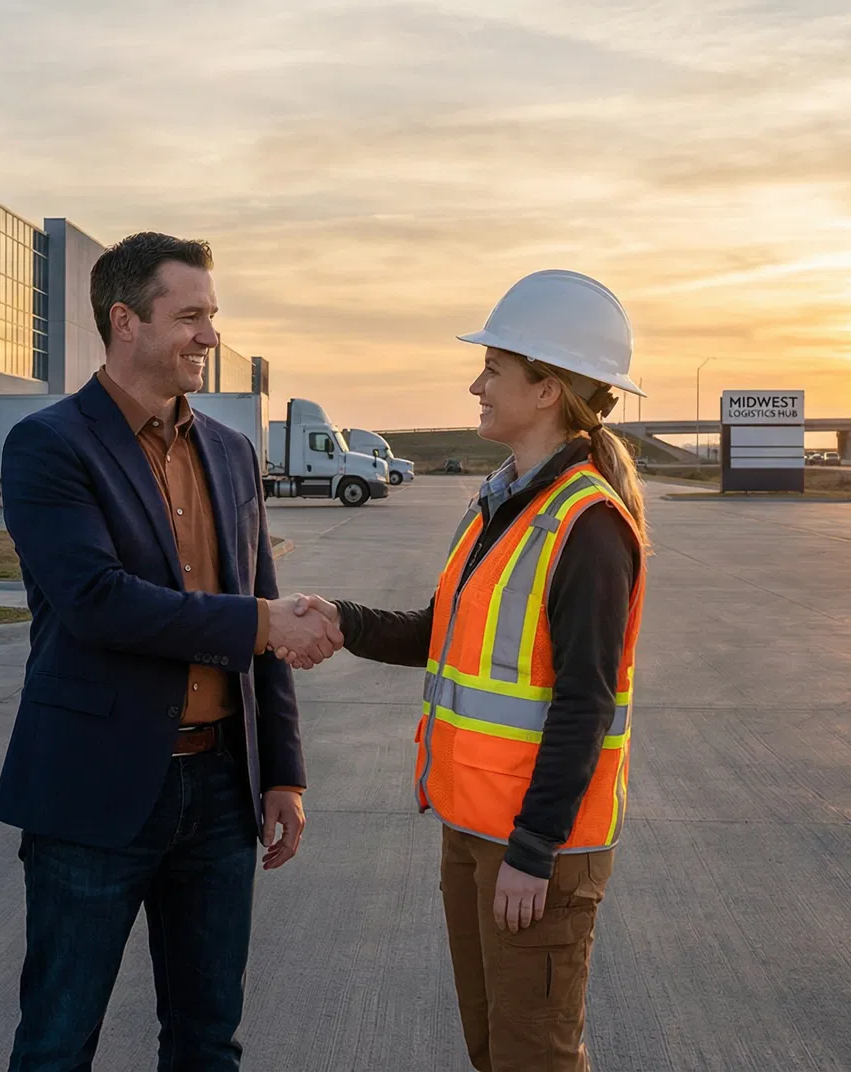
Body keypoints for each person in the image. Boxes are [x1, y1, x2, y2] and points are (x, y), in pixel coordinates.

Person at [279, 270, 650, 1072]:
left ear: (547, 388)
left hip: (535, 848)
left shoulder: (586, 527)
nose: (475, 384)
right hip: (474, 828)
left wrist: (533, 850)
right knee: (493, 1050)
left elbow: (584, 705)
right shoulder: (503, 501)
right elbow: (438, 632)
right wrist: (342, 620)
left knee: (534, 1059)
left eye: (493, 370)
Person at [0, 232, 343, 1072]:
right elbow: (98, 604)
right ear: (125, 322)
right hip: (94, 793)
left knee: (207, 1039)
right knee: (56, 1041)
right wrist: (263, 622)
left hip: (222, 791)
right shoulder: (49, 445)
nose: (210, 338)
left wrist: (282, 771)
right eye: (190, 316)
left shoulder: (231, 453)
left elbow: (257, 616)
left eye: (212, 316)